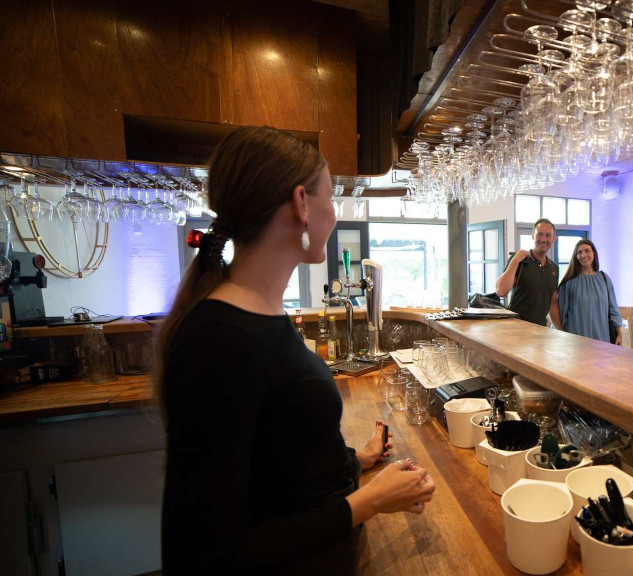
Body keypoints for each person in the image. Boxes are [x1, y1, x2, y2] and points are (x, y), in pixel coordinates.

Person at [157, 126, 435, 575]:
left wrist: (355, 462)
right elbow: (209, 550)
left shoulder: (256, 314)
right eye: (331, 197)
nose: (335, 213)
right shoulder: (219, 342)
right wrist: (370, 501)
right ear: (302, 204)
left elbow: (275, 465)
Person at [552, 239, 624, 344]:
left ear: (593, 253)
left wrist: (619, 334)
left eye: (587, 251)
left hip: (602, 339)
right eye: (579, 252)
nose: (583, 255)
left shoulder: (604, 279)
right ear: (575, 257)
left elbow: (613, 309)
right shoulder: (568, 283)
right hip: (576, 342)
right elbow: (562, 315)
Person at [495, 218, 560, 326]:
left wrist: (560, 331)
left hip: (541, 331)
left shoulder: (554, 268)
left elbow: (552, 303)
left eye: (548, 235)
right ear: (533, 236)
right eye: (539, 234)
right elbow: (501, 291)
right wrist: (515, 260)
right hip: (515, 328)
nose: (543, 239)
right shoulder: (519, 261)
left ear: (554, 238)